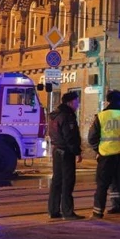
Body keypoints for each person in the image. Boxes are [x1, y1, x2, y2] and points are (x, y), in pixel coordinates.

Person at [88, 89, 120, 218]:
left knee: (102, 185)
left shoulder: (101, 116)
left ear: (108, 100)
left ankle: (97, 212)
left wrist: (98, 150)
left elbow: (92, 138)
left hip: (105, 155)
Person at [47, 91, 84, 220]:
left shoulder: (55, 115)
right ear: (70, 102)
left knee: (57, 181)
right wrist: (77, 152)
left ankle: (53, 210)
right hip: (66, 152)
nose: (78, 104)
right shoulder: (67, 116)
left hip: (57, 150)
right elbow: (69, 136)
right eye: (76, 101)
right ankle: (68, 212)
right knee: (68, 182)